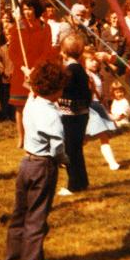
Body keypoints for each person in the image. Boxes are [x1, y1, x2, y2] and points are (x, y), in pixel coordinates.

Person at [4, 61, 69, 260]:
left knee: (19, 214)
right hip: (43, 166)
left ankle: (13, 259)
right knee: (36, 217)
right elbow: (57, 145)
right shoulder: (52, 115)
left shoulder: (32, 102)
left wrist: (30, 76)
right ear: (56, 91)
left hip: (26, 164)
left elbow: (32, 90)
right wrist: (64, 159)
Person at [9, 0, 58, 147]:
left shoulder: (45, 27)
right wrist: (23, 68)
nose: (27, 12)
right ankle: (21, 137)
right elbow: (13, 51)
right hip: (21, 71)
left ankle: (36, 136)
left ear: (36, 9)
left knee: (38, 105)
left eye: (30, 9)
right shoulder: (18, 27)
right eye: (24, 9)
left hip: (38, 71)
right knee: (20, 106)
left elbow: (47, 51)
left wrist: (35, 68)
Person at [56, 33, 91, 196]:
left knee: (70, 150)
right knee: (76, 150)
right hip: (80, 115)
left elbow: (64, 88)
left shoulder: (71, 70)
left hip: (72, 116)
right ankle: (82, 181)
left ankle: (74, 185)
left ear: (63, 52)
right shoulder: (79, 69)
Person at [82, 47, 120, 170]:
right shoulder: (85, 75)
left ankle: (112, 162)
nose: (94, 63)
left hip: (97, 106)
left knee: (102, 136)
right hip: (90, 107)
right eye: (91, 60)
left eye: (96, 61)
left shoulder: (96, 74)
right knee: (85, 138)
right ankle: (65, 156)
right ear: (84, 61)